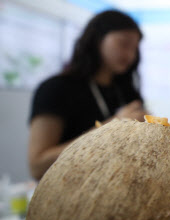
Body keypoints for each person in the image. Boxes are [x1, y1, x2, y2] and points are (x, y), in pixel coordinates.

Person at [28, 10, 148, 180]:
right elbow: (37, 166)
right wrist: (112, 128)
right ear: (97, 39)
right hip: (70, 188)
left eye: (134, 48)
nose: (130, 55)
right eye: (123, 44)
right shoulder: (56, 89)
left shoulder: (127, 91)